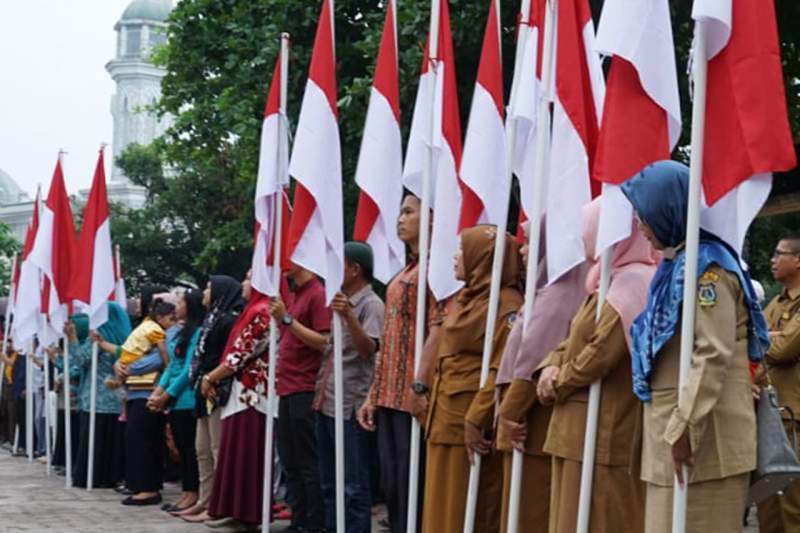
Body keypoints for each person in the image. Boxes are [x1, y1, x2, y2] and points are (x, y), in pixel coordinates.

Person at [620, 160, 769, 532]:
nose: (640, 226)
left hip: (703, 440)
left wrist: (684, 428)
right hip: (673, 437)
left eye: (645, 214)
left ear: (668, 209)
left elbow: (713, 352)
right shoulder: (676, 267)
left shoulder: (707, 271)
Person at [536, 199, 658, 533]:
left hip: (605, 426)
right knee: (570, 518)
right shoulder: (603, 281)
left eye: (588, 228)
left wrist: (559, 381)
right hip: (577, 426)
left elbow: (603, 350)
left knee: (602, 518)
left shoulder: (633, 281)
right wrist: (550, 366)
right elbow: (572, 337)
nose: (583, 237)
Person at [421, 225, 523, 533]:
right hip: (443, 419)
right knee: (440, 510)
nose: (455, 257)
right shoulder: (466, 300)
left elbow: (501, 367)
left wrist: (476, 417)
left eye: (463, 251)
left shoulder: (506, 304)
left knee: (466, 511)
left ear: (483, 259)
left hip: (470, 425)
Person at [356, 194, 445, 533]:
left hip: (413, 396)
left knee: (413, 486)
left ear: (433, 219)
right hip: (390, 395)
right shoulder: (406, 270)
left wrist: (420, 385)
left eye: (409, 211)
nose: (400, 218)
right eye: (401, 210)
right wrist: (373, 395)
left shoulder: (438, 270)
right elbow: (391, 339)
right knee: (392, 485)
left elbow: (439, 327)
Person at [495, 220, 589, 532]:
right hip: (529, 424)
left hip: (533, 424)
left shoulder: (558, 293)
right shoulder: (545, 289)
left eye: (529, 243)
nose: (521, 251)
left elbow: (533, 361)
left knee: (530, 513)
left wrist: (508, 413)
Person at [313, 242, 384, 533]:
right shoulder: (339, 300)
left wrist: (349, 317)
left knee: (354, 486)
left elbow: (369, 350)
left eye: (339, 264)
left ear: (355, 269)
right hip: (327, 400)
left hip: (351, 406)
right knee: (329, 483)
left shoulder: (371, 305)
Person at [200, 270, 280, 529]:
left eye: (249, 278)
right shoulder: (253, 309)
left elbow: (240, 354)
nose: (244, 283)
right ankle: (235, 511)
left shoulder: (263, 311)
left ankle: (249, 514)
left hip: (255, 393)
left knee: (247, 452)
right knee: (236, 451)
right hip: (244, 390)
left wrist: (210, 377)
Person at [269, 263, 331, 533]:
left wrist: (287, 320)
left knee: (307, 461)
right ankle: (298, 519)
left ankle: (314, 523)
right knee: (290, 460)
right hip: (287, 387)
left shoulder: (318, 293)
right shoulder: (295, 295)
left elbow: (323, 342)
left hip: (305, 387)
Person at [181, 275, 243, 523]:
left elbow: (227, 357)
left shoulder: (228, 320)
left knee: (218, 449)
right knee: (202, 450)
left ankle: (219, 504)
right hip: (201, 388)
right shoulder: (211, 319)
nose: (204, 292)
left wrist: (213, 380)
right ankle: (205, 500)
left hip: (216, 390)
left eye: (208, 288)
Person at [147, 289, 205, 514]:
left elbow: (188, 369)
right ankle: (187, 491)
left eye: (180, 302)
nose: (176, 306)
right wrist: (158, 391)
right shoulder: (180, 332)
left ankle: (193, 492)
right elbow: (172, 365)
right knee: (181, 447)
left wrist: (166, 395)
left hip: (187, 398)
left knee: (191, 450)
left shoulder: (198, 332)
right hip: (174, 399)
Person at [757, 235, 800, 532]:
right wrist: (770, 337)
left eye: (779, 253)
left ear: (798, 260)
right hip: (771, 414)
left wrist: (767, 338)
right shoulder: (776, 302)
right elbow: (752, 338)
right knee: (767, 504)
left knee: (792, 506)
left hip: (793, 417)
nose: (773, 259)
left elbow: (783, 350)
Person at [71, 303, 132, 489]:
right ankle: (112, 476)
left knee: (95, 440)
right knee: (112, 440)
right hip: (116, 397)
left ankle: (93, 476)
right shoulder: (125, 339)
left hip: (96, 397)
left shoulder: (98, 337)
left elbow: (81, 359)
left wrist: (72, 339)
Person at [104, 300, 176, 390]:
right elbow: (162, 351)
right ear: (159, 318)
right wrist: (167, 366)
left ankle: (117, 382)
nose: (174, 324)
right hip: (134, 356)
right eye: (172, 320)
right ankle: (118, 382)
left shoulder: (147, 322)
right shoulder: (157, 331)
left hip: (126, 352)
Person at [0, 340, 19, 447]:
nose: (8, 346)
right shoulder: (8, 355)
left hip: (12, 387)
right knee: (4, 412)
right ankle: (5, 436)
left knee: (12, 414)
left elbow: (14, 366)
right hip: (5, 386)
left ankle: (12, 440)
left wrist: (5, 359)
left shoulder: (17, 355)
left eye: (11, 343)